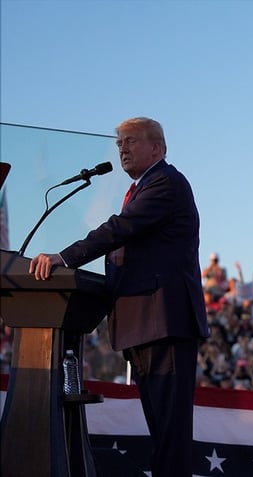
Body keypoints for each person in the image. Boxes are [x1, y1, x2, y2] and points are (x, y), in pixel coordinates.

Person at [28, 117, 209, 477]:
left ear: (157, 148)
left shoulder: (165, 183)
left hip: (164, 323)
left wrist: (65, 257)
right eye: (119, 143)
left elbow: (119, 229)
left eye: (130, 141)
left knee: (170, 434)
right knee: (161, 432)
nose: (122, 149)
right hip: (144, 324)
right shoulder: (144, 187)